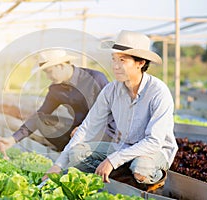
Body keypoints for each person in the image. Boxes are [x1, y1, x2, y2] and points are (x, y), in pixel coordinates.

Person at [44, 30, 178, 191]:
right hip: (122, 147)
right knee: (77, 154)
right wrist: (58, 165)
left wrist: (112, 161)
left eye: (122, 60)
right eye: (113, 59)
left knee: (141, 168)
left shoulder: (158, 92)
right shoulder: (111, 90)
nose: (115, 66)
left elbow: (154, 141)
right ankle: (123, 175)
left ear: (140, 62)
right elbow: (88, 128)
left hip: (153, 151)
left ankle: (155, 179)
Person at [0, 49, 115, 158]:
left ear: (61, 66)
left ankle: (89, 153)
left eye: (49, 72)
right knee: (41, 119)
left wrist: (86, 129)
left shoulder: (95, 78)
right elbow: (41, 113)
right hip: (76, 132)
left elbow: (111, 112)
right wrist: (13, 139)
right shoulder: (56, 89)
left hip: (104, 131)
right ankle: (68, 151)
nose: (48, 77)